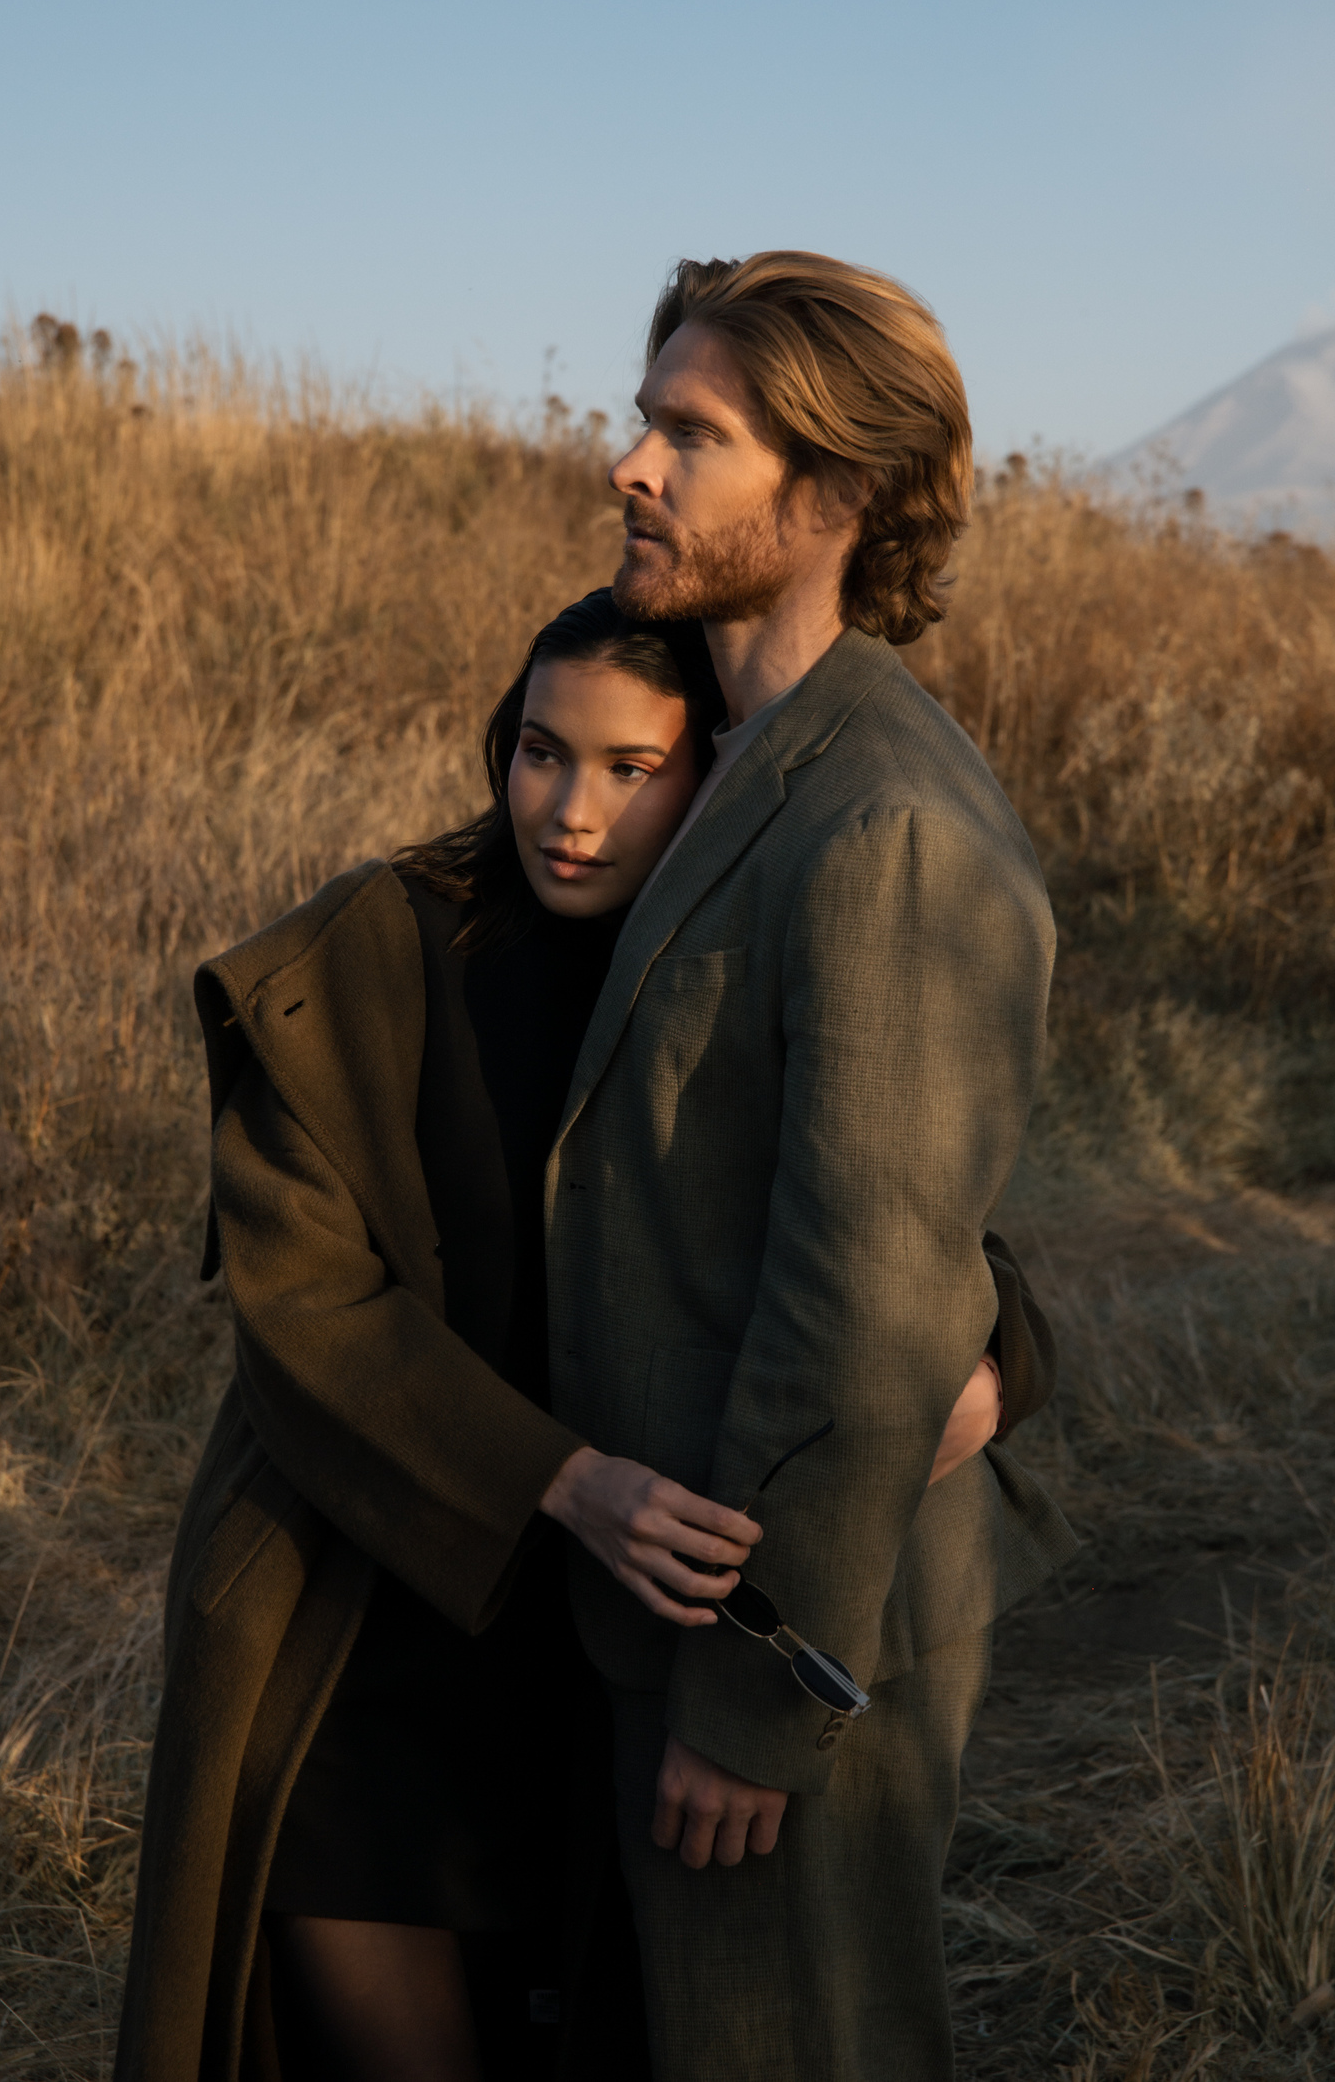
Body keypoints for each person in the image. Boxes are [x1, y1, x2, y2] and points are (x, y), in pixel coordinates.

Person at [113, 589, 1048, 2082]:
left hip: (632, 1619)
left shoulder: (751, 953)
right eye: (543, 751)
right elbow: (302, 1293)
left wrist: (1000, 1371)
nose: (570, 812)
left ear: (713, 775)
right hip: (391, 1576)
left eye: (634, 769)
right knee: (347, 1940)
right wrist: (559, 1481)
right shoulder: (392, 946)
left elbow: (908, 1229)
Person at [538, 254, 1079, 2082]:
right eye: (647, 419)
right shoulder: (714, 742)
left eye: (694, 434)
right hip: (655, 1599)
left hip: (795, 1646)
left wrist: (760, 1702)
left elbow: (865, 1297)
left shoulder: (888, 822)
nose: (630, 463)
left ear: (837, 495)